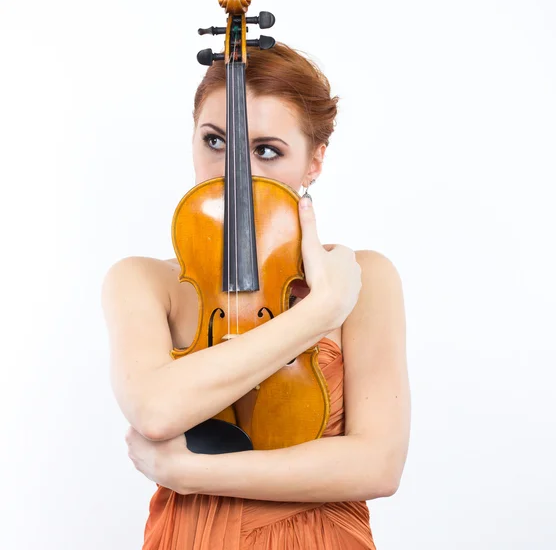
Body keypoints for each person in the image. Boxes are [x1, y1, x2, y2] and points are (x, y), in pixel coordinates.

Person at [101, 42, 410, 549]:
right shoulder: (141, 281)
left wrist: (192, 474)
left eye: (267, 151)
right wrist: (317, 315)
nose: (235, 175)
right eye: (216, 142)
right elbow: (155, 410)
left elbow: (378, 466)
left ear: (315, 162)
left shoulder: (366, 277)